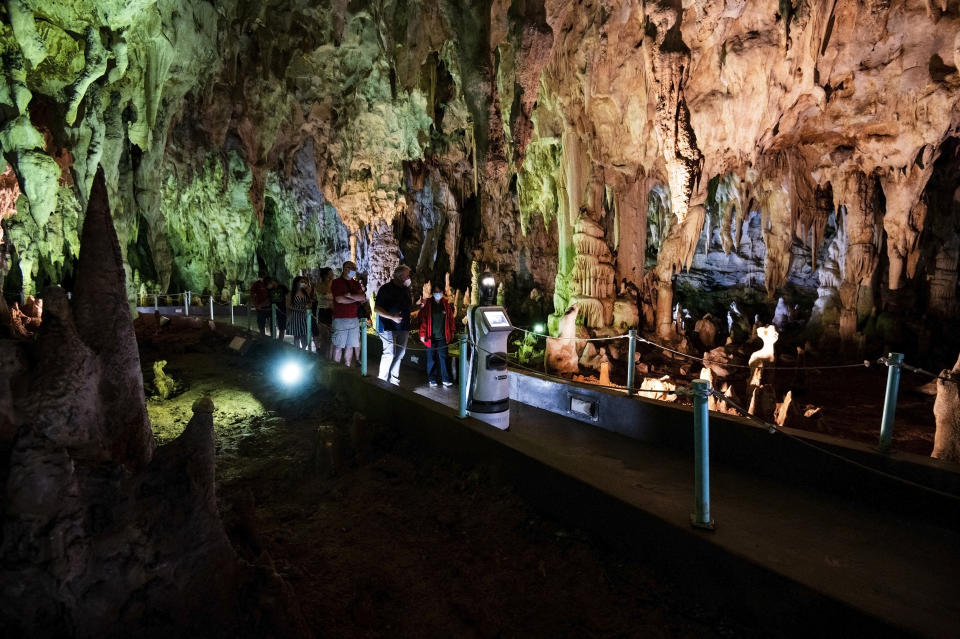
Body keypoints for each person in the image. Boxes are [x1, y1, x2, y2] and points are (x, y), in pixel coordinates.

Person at [374, 265, 416, 385]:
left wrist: (419, 306)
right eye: (407, 275)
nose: (409, 278)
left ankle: (394, 379)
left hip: (403, 326)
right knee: (389, 353)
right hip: (387, 326)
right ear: (400, 276)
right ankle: (381, 380)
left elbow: (407, 307)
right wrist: (392, 317)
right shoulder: (385, 289)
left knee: (400, 353)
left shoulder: (405, 290)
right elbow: (377, 308)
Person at [419, 282, 456, 387]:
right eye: (435, 292)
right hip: (430, 336)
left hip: (442, 336)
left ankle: (445, 378)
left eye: (439, 292)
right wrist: (422, 334)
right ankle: (432, 378)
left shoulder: (446, 305)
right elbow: (423, 320)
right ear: (432, 293)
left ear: (442, 293)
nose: (437, 293)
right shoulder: (428, 304)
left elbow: (450, 319)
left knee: (444, 358)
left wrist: (452, 331)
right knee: (431, 358)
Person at [330, 260, 366, 365]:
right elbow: (339, 299)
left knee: (350, 345)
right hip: (340, 318)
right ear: (345, 269)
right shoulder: (336, 282)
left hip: (354, 318)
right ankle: (335, 369)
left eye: (355, 269)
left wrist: (349, 296)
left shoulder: (355, 283)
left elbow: (363, 297)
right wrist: (355, 299)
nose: (354, 271)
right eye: (352, 268)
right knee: (338, 346)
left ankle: (347, 367)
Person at [314, 267, 334, 355]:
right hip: (322, 311)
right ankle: (322, 355)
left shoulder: (333, 284)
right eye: (331, 273)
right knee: (324, 336)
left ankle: (328, 357)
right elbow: (325, 293)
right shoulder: (319, 285)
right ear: (325, 275)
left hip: (332, 311)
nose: (333, 275)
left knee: (331, 338)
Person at [289, 275, 312, 350]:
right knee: (297, 335)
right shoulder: (292, 293)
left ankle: (303, 351)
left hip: (305, 317)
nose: (304, 283)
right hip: (296, 317)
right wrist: (300, 309)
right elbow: (289, 305)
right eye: (302, 282)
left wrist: (308, 292)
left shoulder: (305, 292)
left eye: (304, 282)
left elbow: (310, 303)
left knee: (304, 335)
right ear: (296, 283)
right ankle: (297, 351)